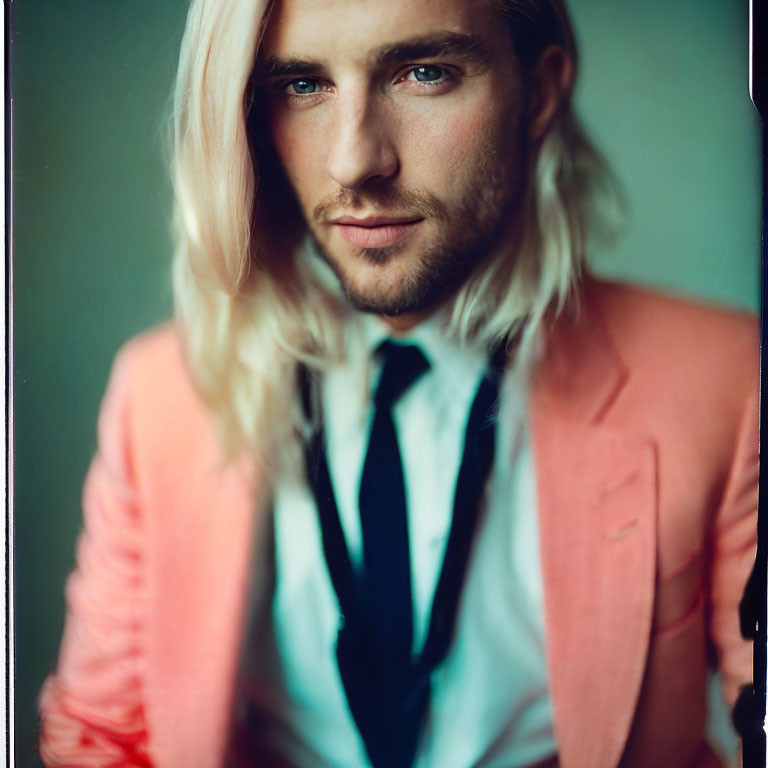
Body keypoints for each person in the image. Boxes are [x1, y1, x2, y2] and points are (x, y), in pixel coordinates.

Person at [38, 0, 758, 766]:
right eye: (303, 85)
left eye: (424, 73)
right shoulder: (156, 397)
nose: (355, 161)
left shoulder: (728, 381)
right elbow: (100, 738)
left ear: (540, 93)